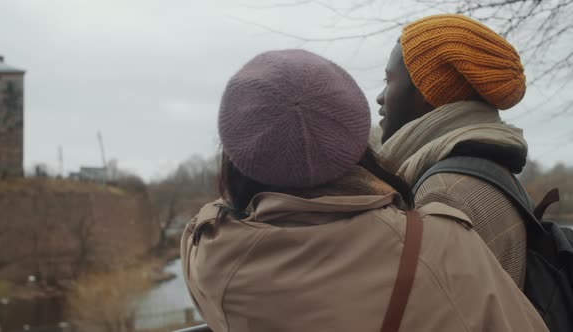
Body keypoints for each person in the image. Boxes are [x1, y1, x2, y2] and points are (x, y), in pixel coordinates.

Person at [181, 49, 547, 331]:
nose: (380, 98)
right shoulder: (443, 241)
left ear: (236, 156)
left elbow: (207, 218)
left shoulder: (212, 255)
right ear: (356, 139)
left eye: (389, 80)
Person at [377, 14, 529, 288]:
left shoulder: (445, 193)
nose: (380, 97)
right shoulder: (476, 169)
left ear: (427, 92)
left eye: (389, 80)